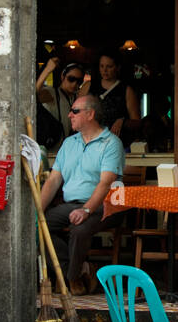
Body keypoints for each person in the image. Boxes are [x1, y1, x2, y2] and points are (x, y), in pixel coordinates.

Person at [39, 94, 124, 295]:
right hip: (71, 204)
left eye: (75, 111)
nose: (69, 115)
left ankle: (72, 278)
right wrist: (37, 212)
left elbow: (106, 183)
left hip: (105, 204)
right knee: (34, 228)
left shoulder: (111, 143)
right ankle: (80, 269)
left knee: (79, 228)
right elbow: (53, 181)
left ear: (90, 114)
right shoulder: (69, 143)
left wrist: (86, 209)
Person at [37, 60, 88, 153]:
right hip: (53, 151)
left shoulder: (78, 97)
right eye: (71, 79)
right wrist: (47, 70)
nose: (74, 84)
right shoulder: (51, 93)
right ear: (62, 76)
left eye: (79, 81)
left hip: (71, 151)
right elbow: (33, 95)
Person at [93, 52, 142, 140]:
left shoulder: (126, 90)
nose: (105, 70)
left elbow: (137, 122)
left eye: (109, 66)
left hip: (116, 141)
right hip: (92, 139)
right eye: (102, 66)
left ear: (117, 68)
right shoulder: (89, 86)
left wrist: (123, 122)